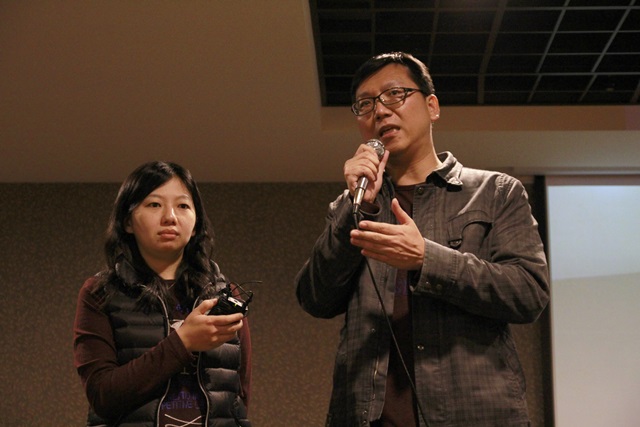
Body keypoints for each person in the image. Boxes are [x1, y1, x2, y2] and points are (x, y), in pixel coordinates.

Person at [295, 52, 550, 427]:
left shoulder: (496, 192)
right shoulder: (351, 206)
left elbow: (529, 293)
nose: (380, 111)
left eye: (395, 94)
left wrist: (426, 259)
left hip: (475, 416)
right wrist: (357, 209)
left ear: (432, 106)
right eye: (365, 104)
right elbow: (314, 298)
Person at [73, 161, 252, 427]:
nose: (170, 217)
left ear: (196, 223)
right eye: (154, 204)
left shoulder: (226, 294)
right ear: (127, 221)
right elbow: (102, 395)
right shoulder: (100, 293)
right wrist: (183, 342)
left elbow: (239, 396)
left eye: (183, 206)